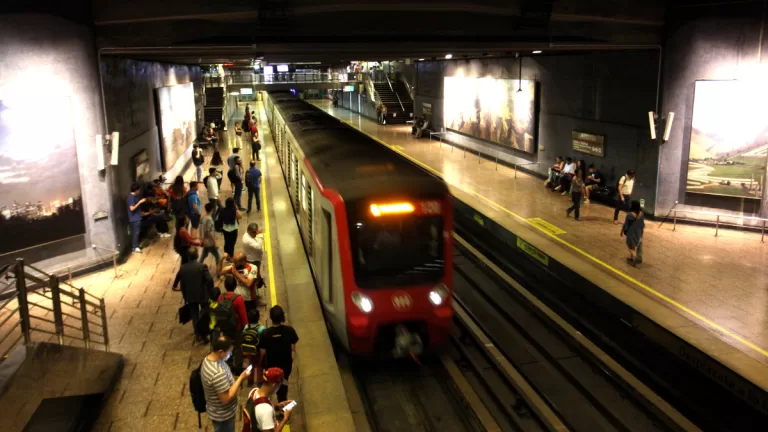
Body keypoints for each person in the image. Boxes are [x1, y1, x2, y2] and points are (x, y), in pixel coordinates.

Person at [201, 336, 251, 432]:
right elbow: (226, 398)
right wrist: (241, 378)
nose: (230, 355)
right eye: (229, 352)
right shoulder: (217, 373)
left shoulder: (209, 358)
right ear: (220, 352)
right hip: (223, 415)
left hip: (215, 410)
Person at [257, 305, 298, 402]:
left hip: (271, 365)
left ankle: (269, 402)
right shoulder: (289, 330)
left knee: (270, 385)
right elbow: (292, 348)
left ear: (270, 318)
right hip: (286, 365)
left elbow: (262, 352)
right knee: (284, 385)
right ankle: (283, 406)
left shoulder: (265, 333)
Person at [173, 247, 214, 343]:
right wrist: (210, 290)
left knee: (194, 315)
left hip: (190, 296)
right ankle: (204, 333)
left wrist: (182, 289)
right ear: (197, 255)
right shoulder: (202, 266)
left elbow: (175, 285)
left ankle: (197, 334)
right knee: (203, 314)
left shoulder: (183, 268)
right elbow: (210, 280)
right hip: (202, 295)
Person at [244, 368, 294, 432]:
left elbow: (258, 409)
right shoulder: (266, 410)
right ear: (274, 385)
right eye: (279, 385)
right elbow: (264, 410)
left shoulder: (254, 391)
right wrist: (285, 418)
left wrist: (276, 406)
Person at [242, 308, 265, 386]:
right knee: (259, 366)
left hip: (249, 350)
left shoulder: (246, 327)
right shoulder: (261, 328)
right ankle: (259, 381)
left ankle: (250, 380)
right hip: (258, 351)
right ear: (258, 318)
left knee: (251, 364)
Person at [621, 200, 645, 266]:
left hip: (631, 234)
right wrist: (641, 233)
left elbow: (626, 225)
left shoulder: (629, 215)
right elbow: (643, 225)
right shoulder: (642, 214)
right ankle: (634, 258)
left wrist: (623, 232)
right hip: (638, 233)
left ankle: (635, 258)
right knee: (637, 245)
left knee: (630, 247)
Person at [127, 183, 147, 254]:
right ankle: (134, 247)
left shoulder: (133, 196)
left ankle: (136, 246)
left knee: (137, 232)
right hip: (134, 219)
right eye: (138, 190)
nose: (139, 191)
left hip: (137, 218)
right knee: (135, 233)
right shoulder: (131, 197)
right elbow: (131, 208)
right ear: (136, 190)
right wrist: (140, 202)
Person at [199, 203, 221, 268]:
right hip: (210, 242)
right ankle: (218, 271)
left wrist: (202, 239)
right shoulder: (209, 219)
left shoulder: (203, 217)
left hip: (205, 241)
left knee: (203, 255)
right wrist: (215, 243)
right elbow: (209, 232)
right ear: (212, 209)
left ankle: (198, 266)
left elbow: (200, 228)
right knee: (218, 257)